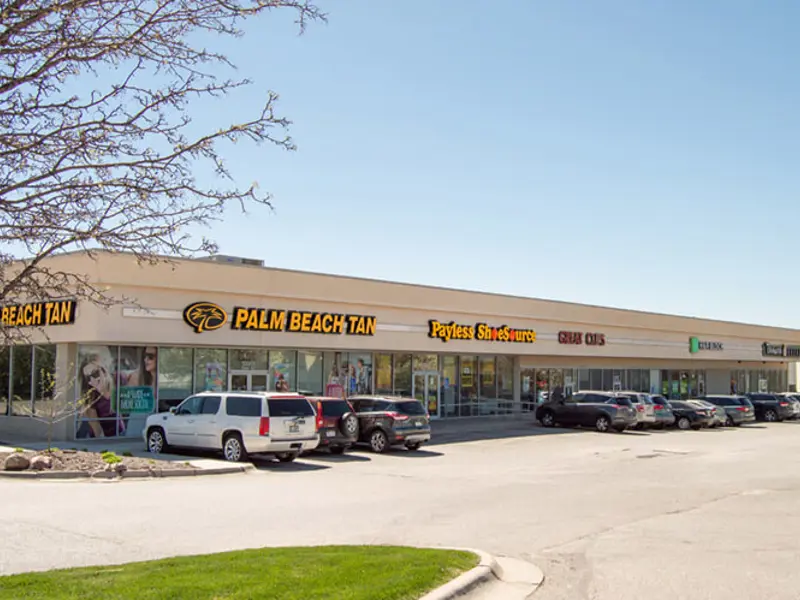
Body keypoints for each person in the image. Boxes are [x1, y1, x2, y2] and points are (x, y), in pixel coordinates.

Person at [76, 355, 125, 438]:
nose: (93, 379)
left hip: (120, 432)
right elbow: (97, 429)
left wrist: (104, 391)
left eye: (95, 373)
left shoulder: (115, 381)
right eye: (89, 376)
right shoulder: (91, 396)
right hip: (102, 437)